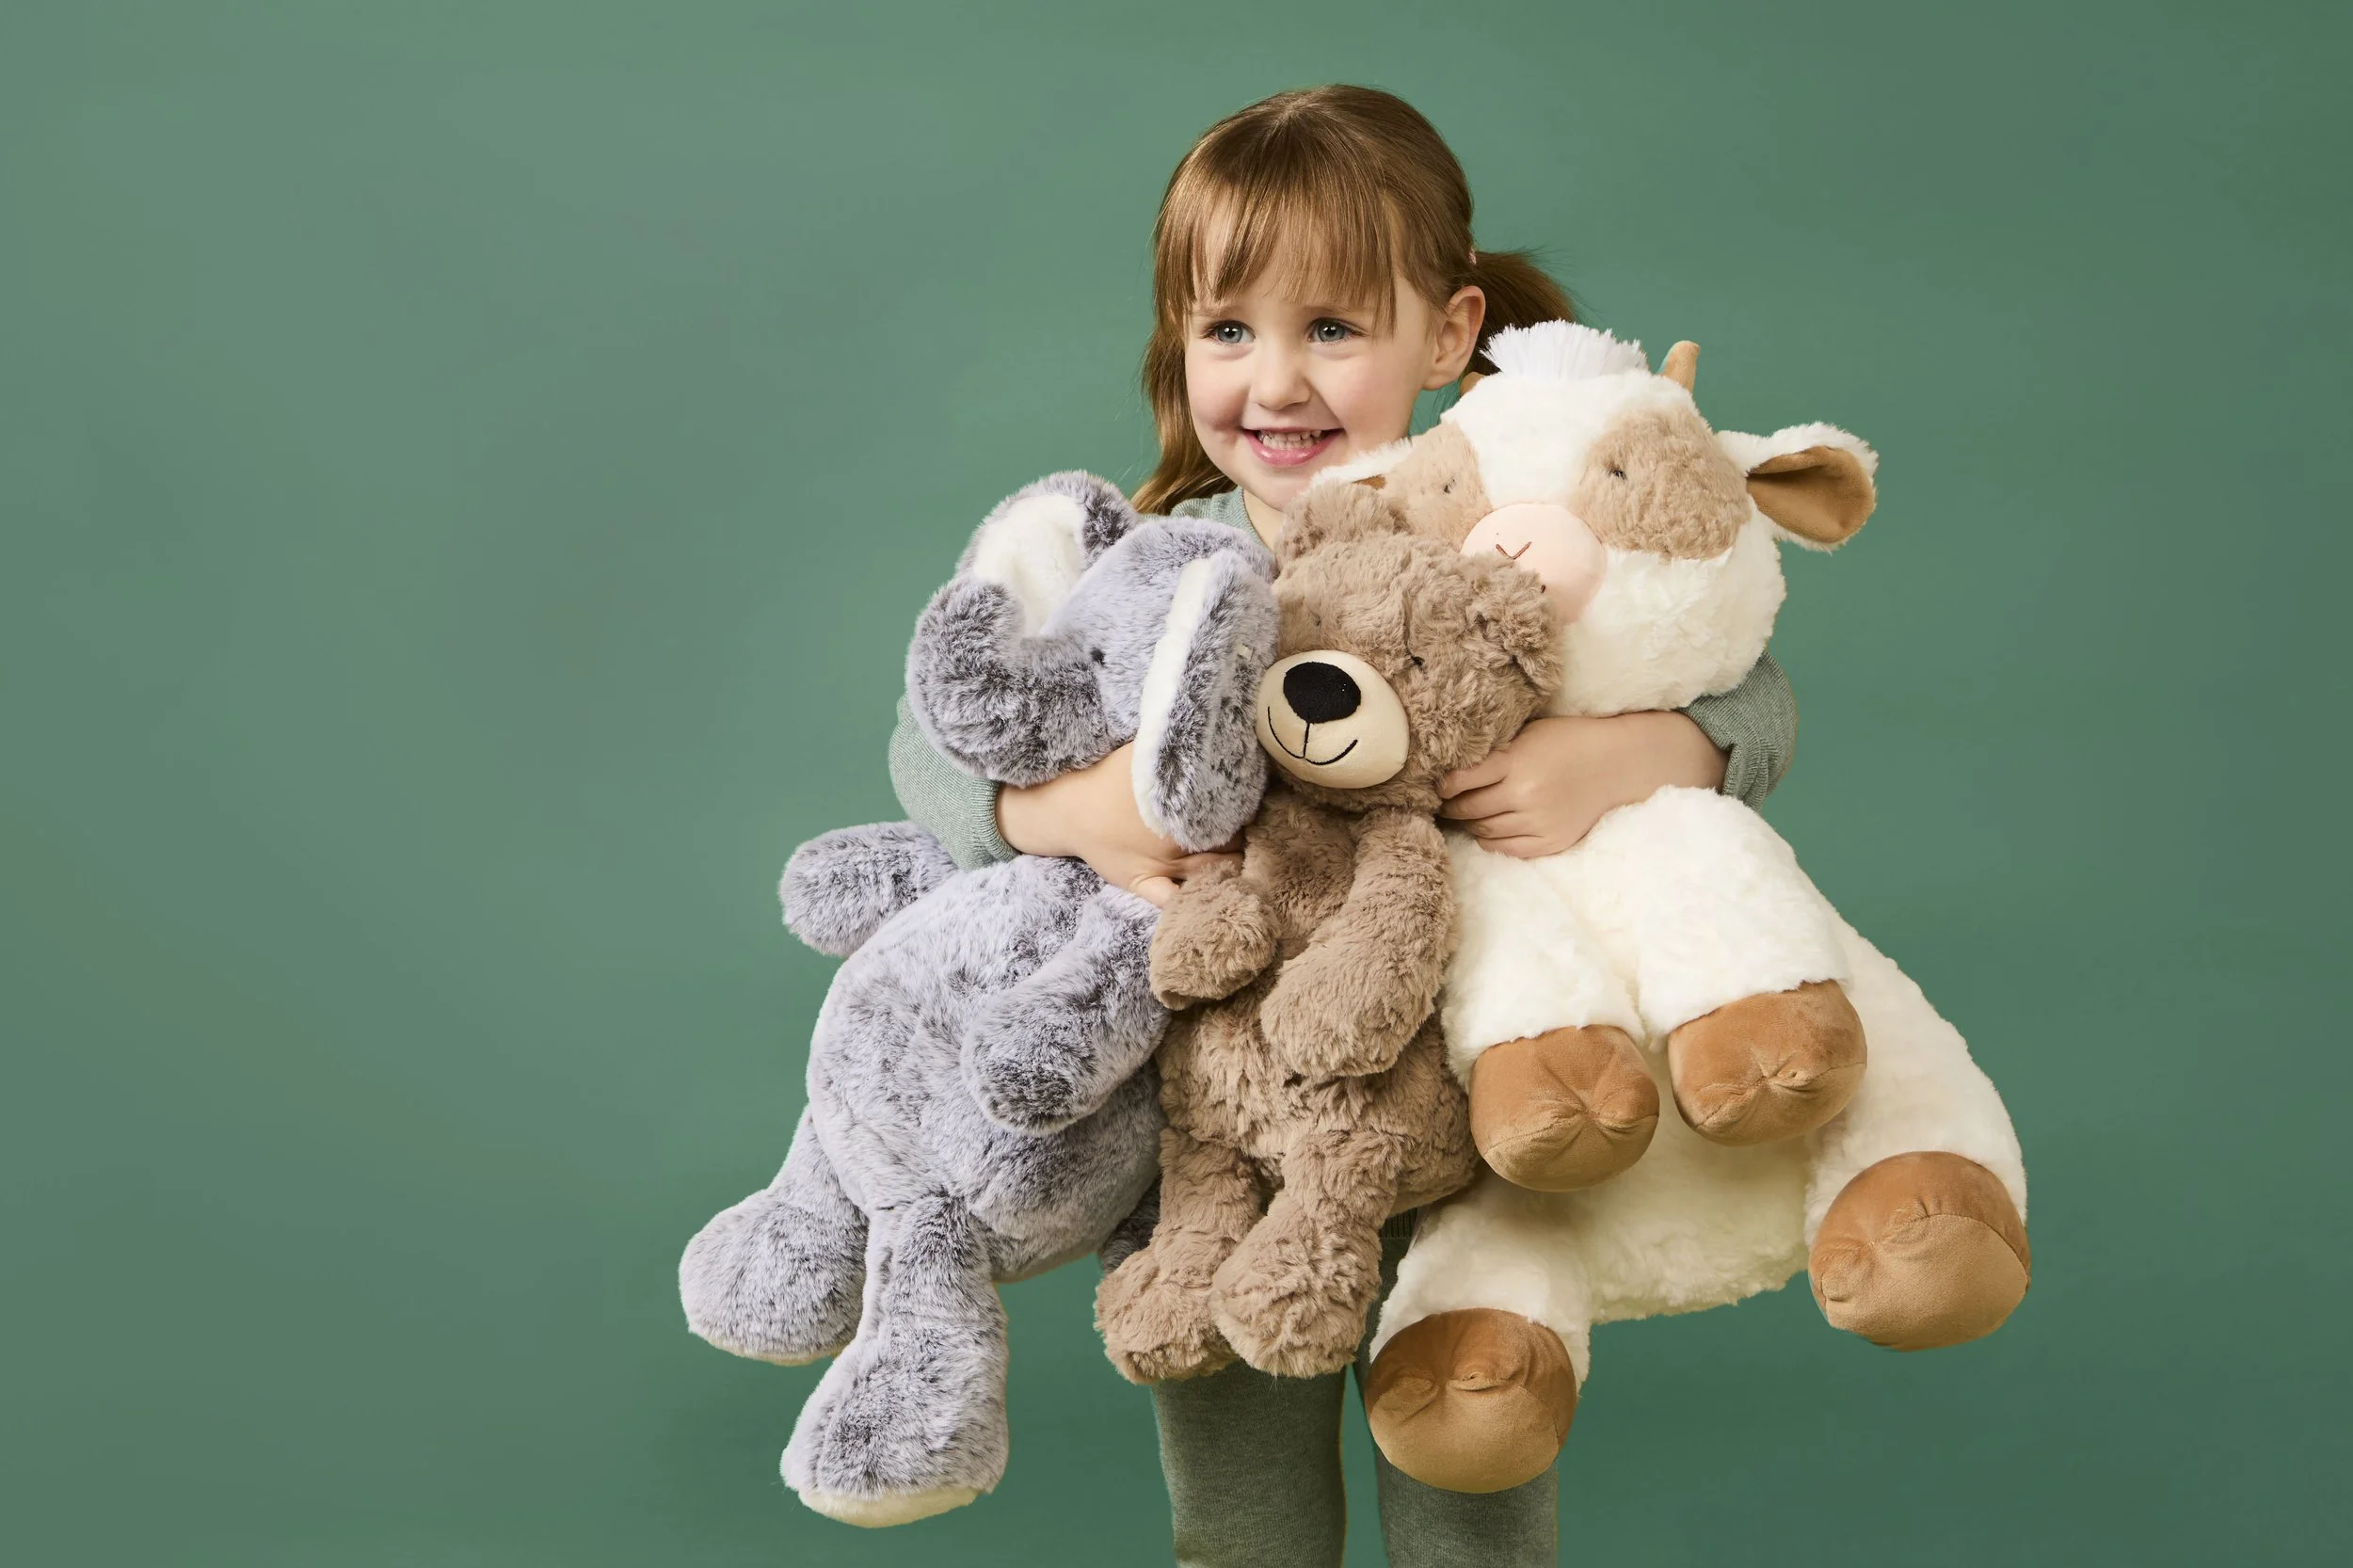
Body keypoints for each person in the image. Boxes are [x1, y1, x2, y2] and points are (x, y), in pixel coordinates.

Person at [886, 85, 1798, 1568]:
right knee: (1242, 1513)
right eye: (1227, 329)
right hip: (1216, 1133)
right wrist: (1056, 807)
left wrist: (1650, 746)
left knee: (1472, 1485)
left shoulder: (1512, 529)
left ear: (1447, 336)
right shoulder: (1140, 561)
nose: (1275, 381)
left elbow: (1749, 685)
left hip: (1471, 1122)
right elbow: (924, 747)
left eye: (1331, 329)